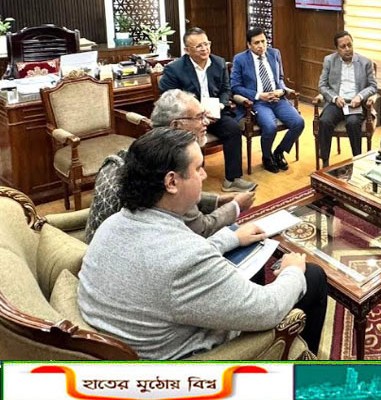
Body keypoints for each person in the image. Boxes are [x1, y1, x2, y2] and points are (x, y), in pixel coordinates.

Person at [78, 127, 328, 360]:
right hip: (193, 364)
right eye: (198, 168)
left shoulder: (111, 226)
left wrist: (231, 238)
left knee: (247, 254)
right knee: (313, 276)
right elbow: (268, 310)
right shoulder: (185, 258)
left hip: (140, 340)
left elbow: (173, 260)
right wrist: (293, 271)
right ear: (171, 182)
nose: (205, 175)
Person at [84, 90, 255, 243]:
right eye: (199, 117)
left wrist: (218, 200)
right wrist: (236, 206)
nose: (206, 122)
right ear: (176, 125)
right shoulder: (168, 163)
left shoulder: (143, 148)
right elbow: (201, 230)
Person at [159, 27, 256, 192]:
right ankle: (190, 182)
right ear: (187, 50)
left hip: (215, 113)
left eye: (206, 44)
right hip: (189, 118)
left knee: (233, 129)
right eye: (199, 46)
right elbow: (169, 98)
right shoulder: (174, 69)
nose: (204, 49)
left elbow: (226, 90)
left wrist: (220, 105)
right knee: (189, 138)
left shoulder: (219, 63)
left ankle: (232, 180)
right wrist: (193, 112)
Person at [231, 27, 304, 173]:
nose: (261, 46)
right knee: (270, 127)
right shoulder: (240, 59)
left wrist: (281, 90)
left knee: (298, 122)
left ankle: (279, 152)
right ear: (249, 45)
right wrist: (259, 95)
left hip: (277, 99)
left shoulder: (274, 53)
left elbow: (280, 78)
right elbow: (235, 86)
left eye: (263, 41)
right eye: (256, 43)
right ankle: (267, 157)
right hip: (258, 102)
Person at [317, 30, 378, 167]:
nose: (347, 49)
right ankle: (325, 161)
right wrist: (334, 98)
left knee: (352, 123)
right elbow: (322, 85)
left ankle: (358, 160)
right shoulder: (329, 61)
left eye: (349, 45)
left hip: (356, 104)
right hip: (337, 102)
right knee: (325, 121)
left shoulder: (365, 62)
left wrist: (360, 96)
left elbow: (373, 86)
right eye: (343, 46)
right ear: (337, 49)